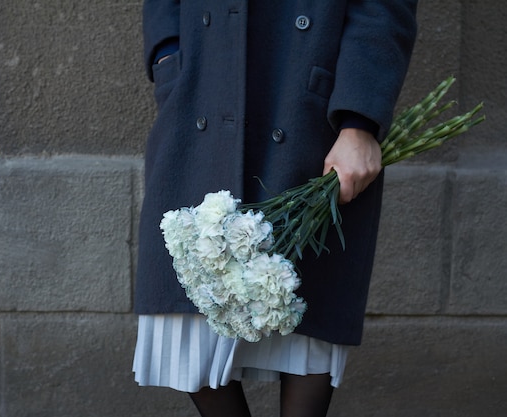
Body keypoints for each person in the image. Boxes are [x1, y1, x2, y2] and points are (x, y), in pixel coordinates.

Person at [133, 1, 418, 416]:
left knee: (307, 317)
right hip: (202, 91)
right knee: (185, 315)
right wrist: (169, 62)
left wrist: (359, 120)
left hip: (310, 104)